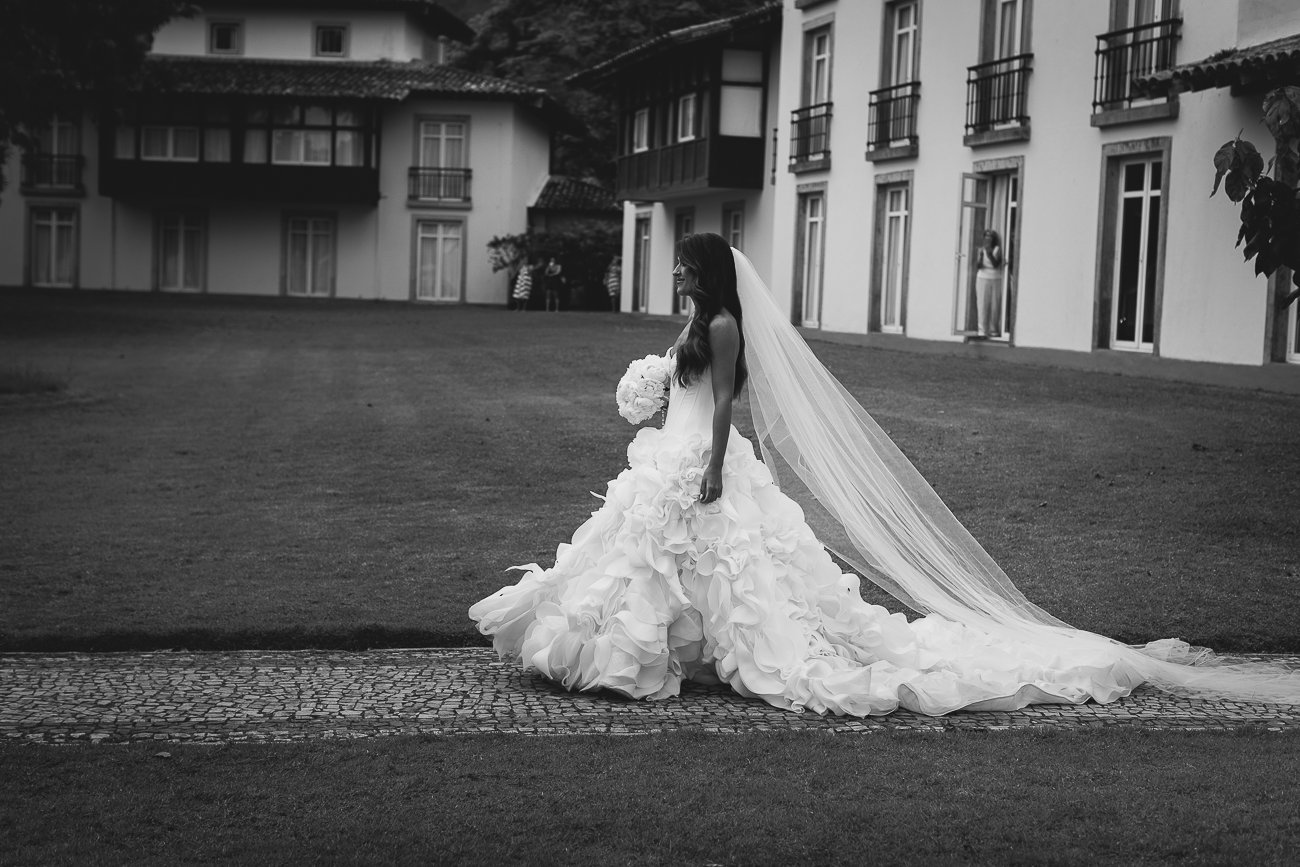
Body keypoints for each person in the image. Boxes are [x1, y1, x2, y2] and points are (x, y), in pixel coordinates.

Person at [470, 232, 1300, 716]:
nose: (679, 274)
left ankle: (668, 654)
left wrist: (714, 469)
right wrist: (651, 386)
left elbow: (724, 404)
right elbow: (684, 390)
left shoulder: (721, 324)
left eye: (687, 266)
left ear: (708, 273)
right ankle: (648, 648)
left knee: (729, 570)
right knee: (651, 559)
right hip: (668, 454)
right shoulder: (696, 318)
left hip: (700, 459)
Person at [974, 229, 1003, 338]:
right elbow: (978, 266)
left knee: (995, 304)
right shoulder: (981, 249)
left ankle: (993, 330)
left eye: (990, 236)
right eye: (986, 236)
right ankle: (982, 331)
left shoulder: (997, 249)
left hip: (995, 278)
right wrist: (981, 255)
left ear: (993, 238)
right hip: (982, 277)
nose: (987, 238)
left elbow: (996, 264)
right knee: (982, 304)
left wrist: (989, 253)